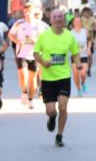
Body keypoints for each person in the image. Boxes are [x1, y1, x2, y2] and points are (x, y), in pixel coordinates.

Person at [32, 8, 80, 147]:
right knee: (51, 110)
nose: (58, 19)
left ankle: (59, 135)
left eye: (60, 16)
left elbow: (75, 53)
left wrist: (78, 63)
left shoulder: (69, 36)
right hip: (47, 78)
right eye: (55, 17)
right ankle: (52, 118)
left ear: (63, 19)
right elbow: (36, 53)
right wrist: (43, 62)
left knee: (63, 107)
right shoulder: (44, 36)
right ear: (51, 20)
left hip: (64, 77)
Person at [8, 3, 42, 108]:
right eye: (25, 11)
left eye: (29, 12)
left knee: (33, 81)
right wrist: (18, 41)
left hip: (35, 54)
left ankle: (31, 100)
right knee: (23, 75)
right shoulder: (19, 23)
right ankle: (24, 92)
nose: (27, 13)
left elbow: (44, 39)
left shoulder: (39, 24)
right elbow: (10, 34)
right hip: (21, 53)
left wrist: (35, 41)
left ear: (33, 13)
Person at [70, 15, 90, 95]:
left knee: (83, 73)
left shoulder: (85, 31)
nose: (77, 23)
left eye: (79, 21)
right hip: (75, 55)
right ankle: (78, 90)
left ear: (81, 23)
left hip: (84, 54)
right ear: (73, 23)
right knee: (75, 74)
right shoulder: (71, 33)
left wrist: (88, 48)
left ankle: (83, 83)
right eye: (76, 21)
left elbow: (90, 40)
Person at [80, 7, 96, 77]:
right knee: (82, 55)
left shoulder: (92, 19)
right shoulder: (81, 19)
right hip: (82, 39)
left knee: (90, 55)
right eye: (85, 12)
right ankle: (84, 68)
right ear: (83, 13)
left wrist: (93, 27)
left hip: (90, 39)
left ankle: (89, 69)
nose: (86, 14)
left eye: (88, 12)